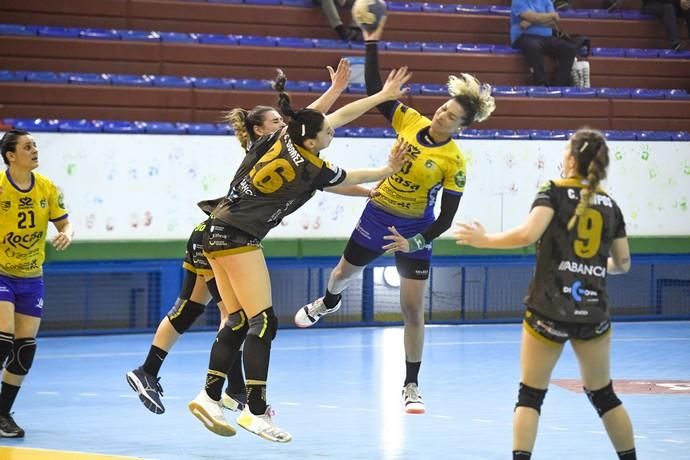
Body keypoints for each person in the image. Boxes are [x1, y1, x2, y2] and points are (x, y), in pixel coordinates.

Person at [187, 66, 412, 442]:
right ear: (312, 142)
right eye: (328, 134)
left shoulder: (278, 138)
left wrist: (377, 96)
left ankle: (209, 397)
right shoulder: (312, 168)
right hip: (239, 237)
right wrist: (389, 168)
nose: (333, 132)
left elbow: (331, 115)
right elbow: (355, 175)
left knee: (239, 320)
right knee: (263, 322)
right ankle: (256, 413)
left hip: (211, 231)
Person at [126, 61, 362, 415]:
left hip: (216, 235)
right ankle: (219, 390)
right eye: (278, 122)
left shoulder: (290, 159)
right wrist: (338, 92)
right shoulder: (272, 146)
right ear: (259, 129)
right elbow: (312, 117)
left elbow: (322, 154)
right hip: (224, 237)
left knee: (204, 312)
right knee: (233, 318)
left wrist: (368, 192)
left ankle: (170, 376)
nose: (285, 125)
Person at [293, 18, 496, 415]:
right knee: (339, 277)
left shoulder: (454, 162)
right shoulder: (410, 120)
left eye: (451, 117)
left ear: (462, 126)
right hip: (377, 215)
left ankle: (411, 385)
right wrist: (371, 41)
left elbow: (446, 219)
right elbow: (376, 92)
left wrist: (414, 243)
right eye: (442, 108)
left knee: (412, 311)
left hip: (415, 230)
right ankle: (327, 303)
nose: (441, 116)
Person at [454, 128, 636, 460]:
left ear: (569, 159)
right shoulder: (612, 206)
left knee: (531, 395)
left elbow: (527, 234)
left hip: (549, 309)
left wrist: (484, 240)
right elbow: (623, 263)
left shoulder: (553, 191)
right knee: (605, 395)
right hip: (593, 310)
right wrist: (595, 264)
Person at [0, 129, 74, 437]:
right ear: (11, 156)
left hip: (31, 276)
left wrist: (66, 233)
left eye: (35, 145)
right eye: (27, 146)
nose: (35, 150)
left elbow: (64, 221)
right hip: (2, 272)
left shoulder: (47, 187)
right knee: (3, 340)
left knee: (24, 349)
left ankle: (3, 414)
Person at [511, 0, 577, 86]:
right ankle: (540, 83)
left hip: (547, 38)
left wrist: (531, 22)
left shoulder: (546, 1)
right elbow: (537, 17)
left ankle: (558, 84)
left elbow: (554, 21)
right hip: (524, 36)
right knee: (534, 46)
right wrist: (549, 16)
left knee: (569, 49)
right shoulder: (518, 1)